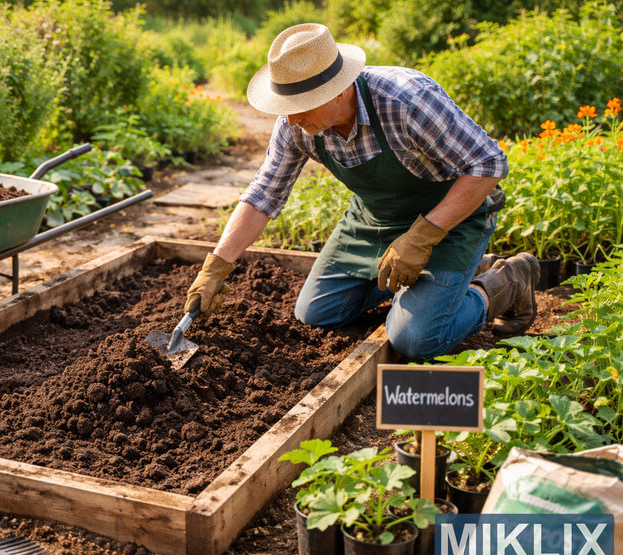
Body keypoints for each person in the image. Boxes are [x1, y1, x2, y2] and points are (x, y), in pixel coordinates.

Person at [184, 23, 538, 361]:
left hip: (452, 220)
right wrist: (215, 268)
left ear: (338, 90)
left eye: (299, 108)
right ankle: (440, 284)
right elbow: (264, 193)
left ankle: (502, 284)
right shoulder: (296, 126)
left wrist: (423, 236)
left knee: (415, 339)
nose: (290, 121)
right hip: (375, 219)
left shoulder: (406, 101)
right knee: (315, 313)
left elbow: (489, 164)